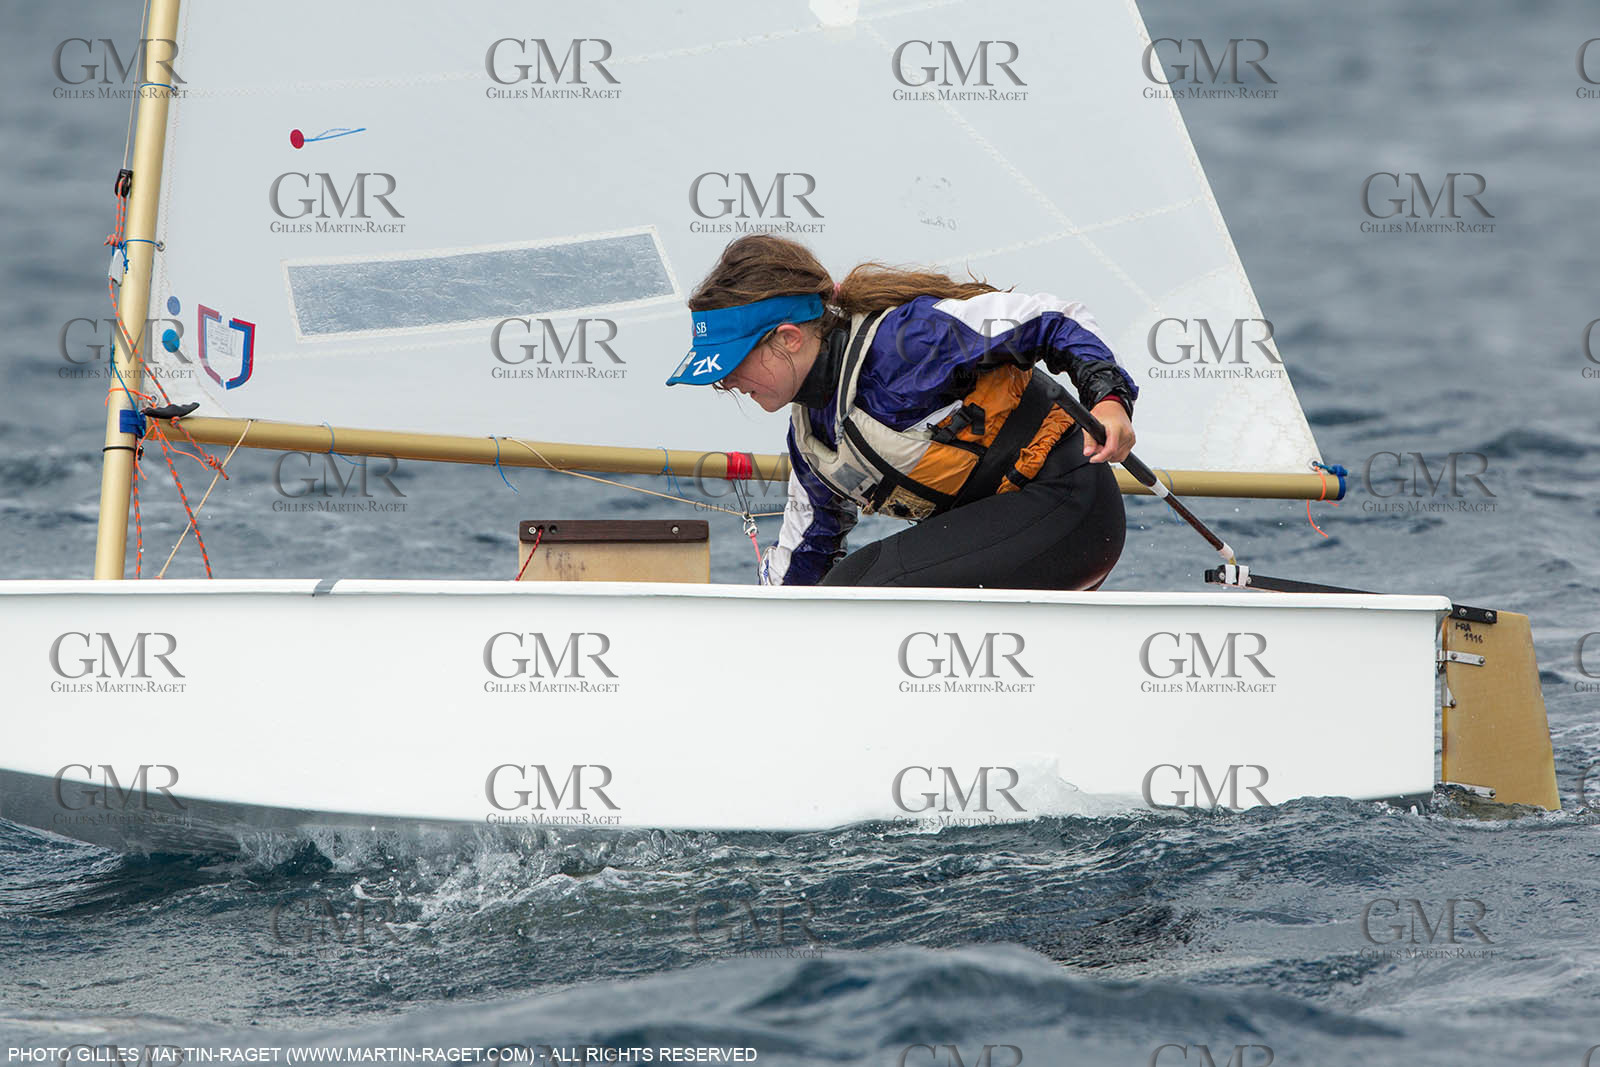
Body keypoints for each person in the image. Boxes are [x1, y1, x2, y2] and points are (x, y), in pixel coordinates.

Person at [664, 235, 1137, 589]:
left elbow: (1054, 319)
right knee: (830, 597)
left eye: (733, 362)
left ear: (789, 337)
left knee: (863, 587)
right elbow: (806, 554)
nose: (724, 382)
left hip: (1070, 508)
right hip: (1004, 535)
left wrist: (1110, 401)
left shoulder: (907, 342)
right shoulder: (813, 441)